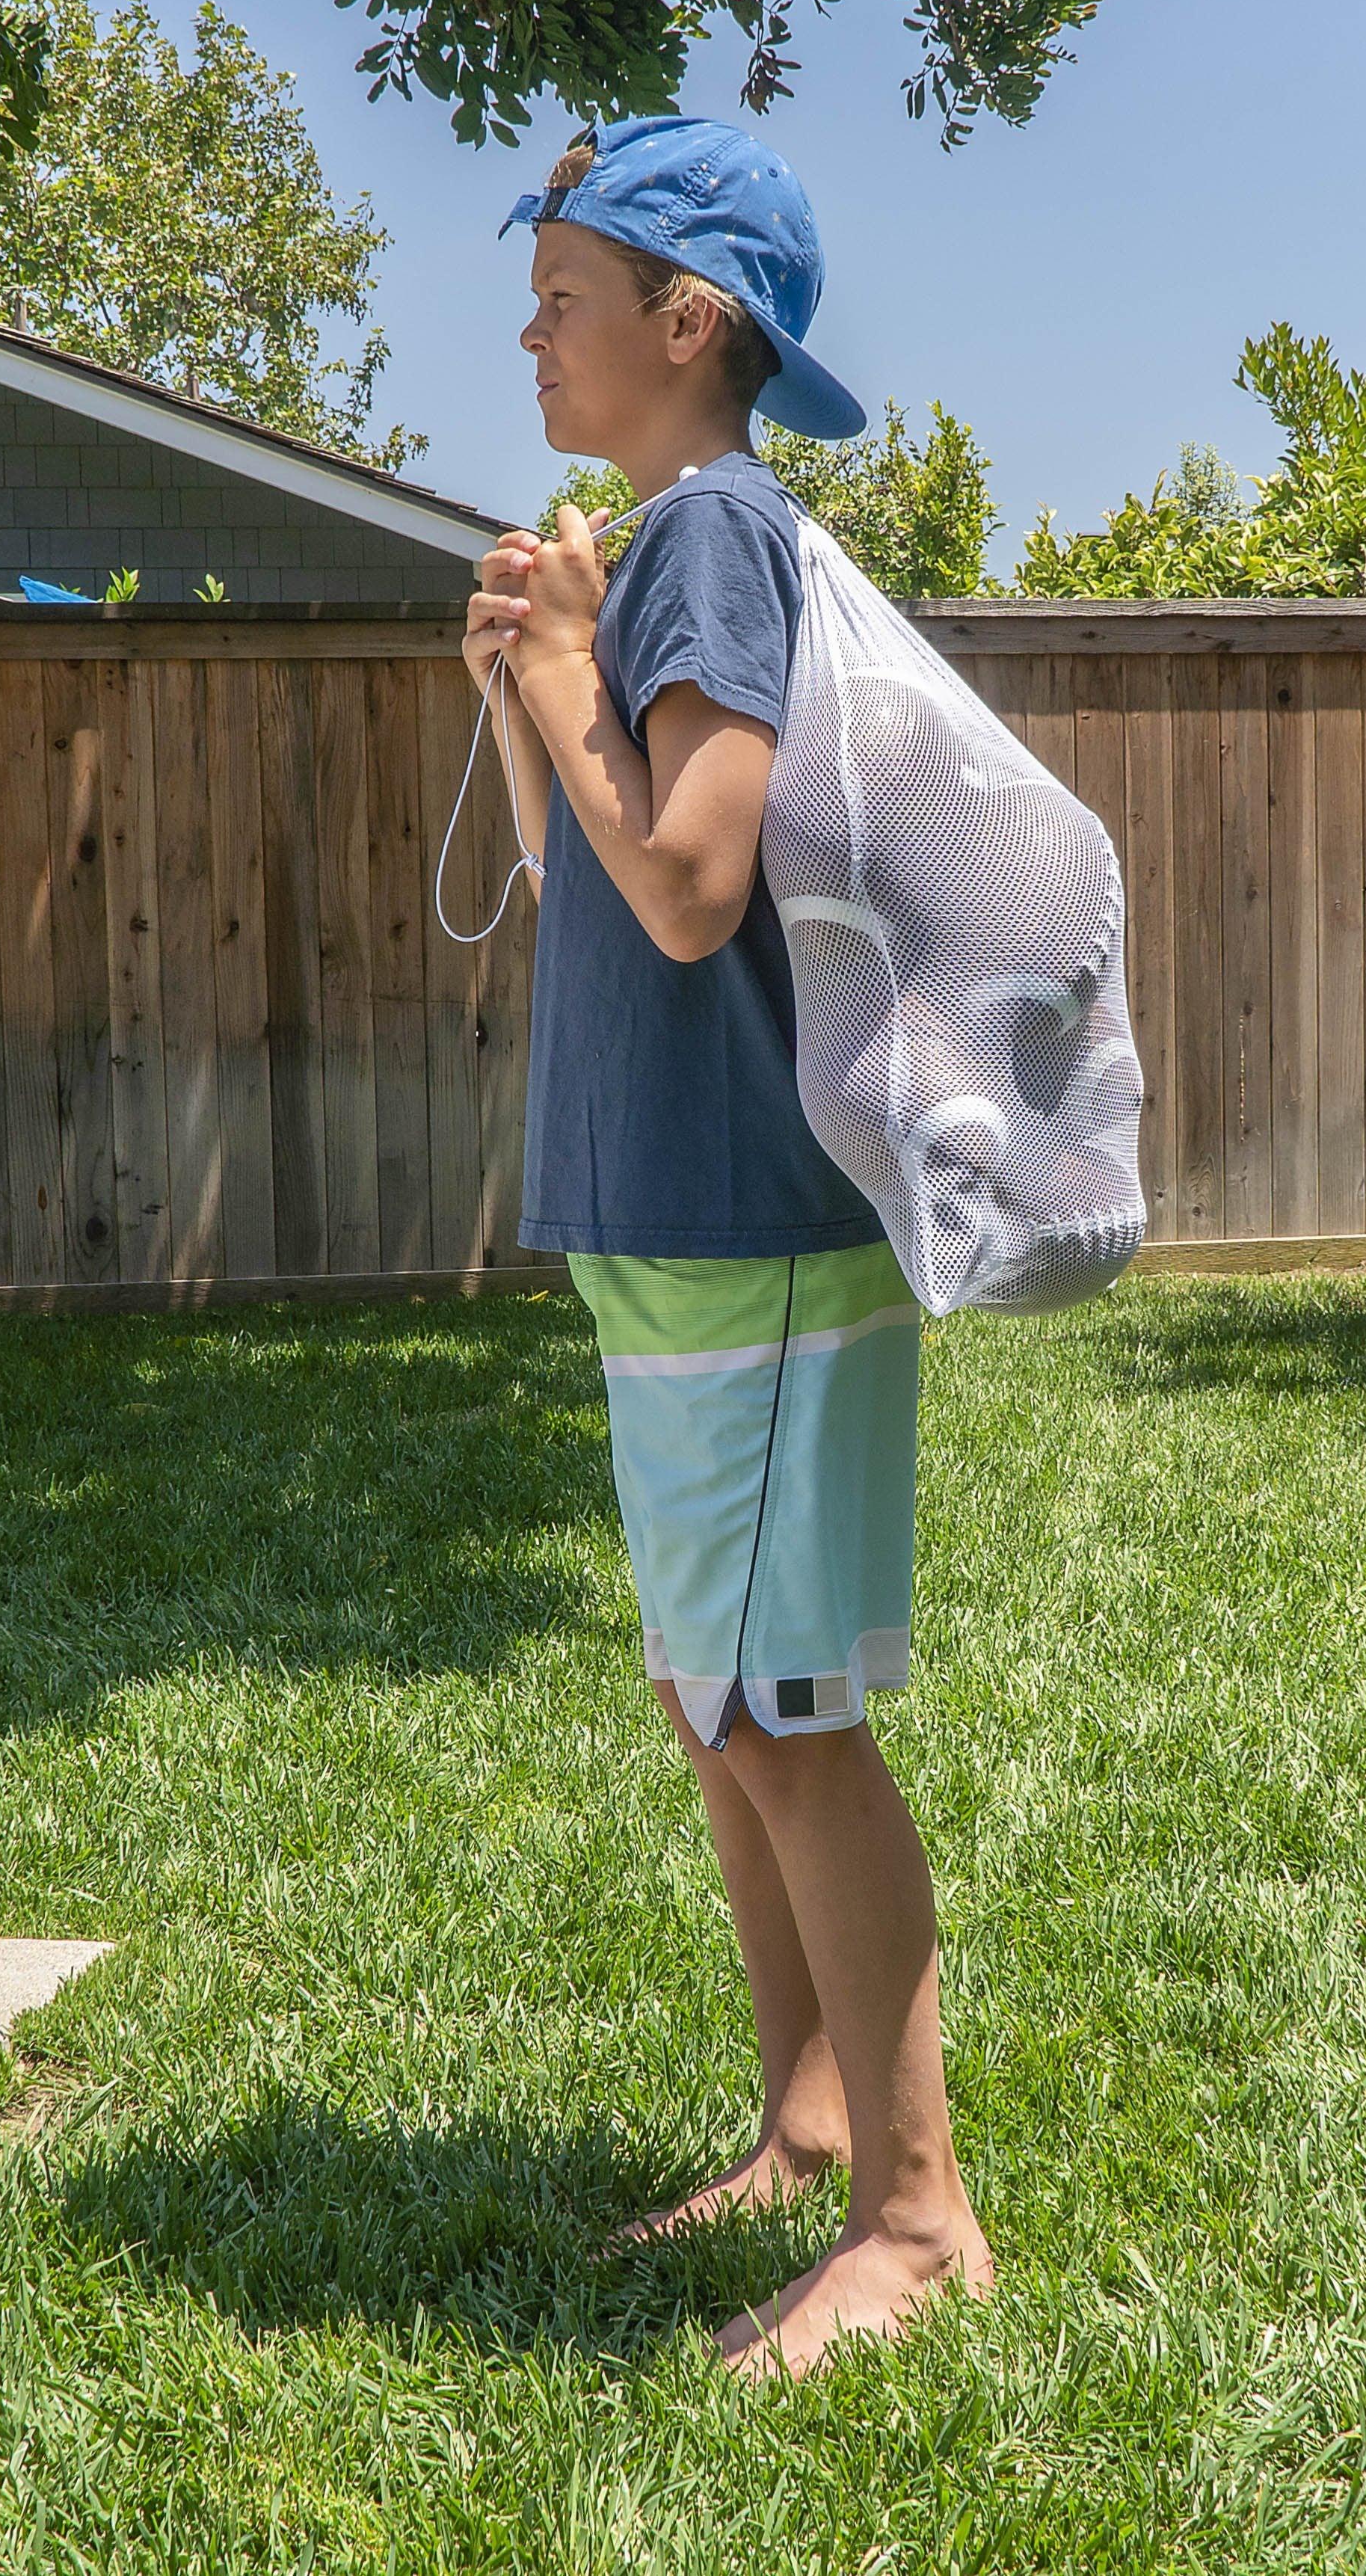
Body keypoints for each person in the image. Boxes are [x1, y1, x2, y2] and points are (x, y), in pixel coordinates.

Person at [467, 115, 993, 2379]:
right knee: (718, 1703)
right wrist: (529, 679)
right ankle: (802, 2131)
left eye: (564, 292)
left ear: (690, 327)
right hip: (675, 1229)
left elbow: (686, 876)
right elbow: (581, 865)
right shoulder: (665, 552)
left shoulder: (707, 540)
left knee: (788, 1712)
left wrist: (584, 663)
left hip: (749, 1241)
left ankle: (913, 2216)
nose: (529, 327)